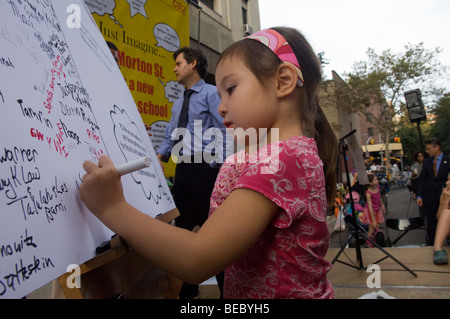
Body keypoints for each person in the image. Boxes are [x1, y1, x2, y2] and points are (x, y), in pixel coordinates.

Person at [79, 27, 338, 299]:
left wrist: (112, 208)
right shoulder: (283, 156)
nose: (221, 107)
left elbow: (197, 259)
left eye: (231, 89)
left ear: (283, 81)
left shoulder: (279, 161)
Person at [156, 47, 230, 298]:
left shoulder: (211, 93)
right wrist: (161, 153)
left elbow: (224, 129)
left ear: (193, 64)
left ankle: (227, 291)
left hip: (206, 169)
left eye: (178, 63)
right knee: (183, 229)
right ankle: (188, 293)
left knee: (213, 231)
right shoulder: (178, 102)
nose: (175, 68)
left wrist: (217, 164)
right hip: (183, 169)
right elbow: (170, 134)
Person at [416, 138, 450, 246]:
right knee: (431, 223)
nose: (427, 151)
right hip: (429, 197)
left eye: (429, 149)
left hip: (444, 195)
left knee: (445, 220)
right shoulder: (427, 162)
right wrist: (419, 195)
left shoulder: (448, 160)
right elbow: (422, 179)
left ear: (437, 147)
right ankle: (432, 245)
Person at [361, 173, 386, 247]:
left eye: (377, 179)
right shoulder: (368, 193)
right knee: (372, 228)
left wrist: (382, 205)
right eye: (375, 179)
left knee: (377, 227)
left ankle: (376, 241)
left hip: (377, 210)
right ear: (370, 183)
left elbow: (379, 197)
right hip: (370, 211)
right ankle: (368, 242)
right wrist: (373, 220)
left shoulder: (377, 187)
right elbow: (370, 207)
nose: (377, 180)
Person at [433, 172, 450, 264]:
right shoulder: (445, 194)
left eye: (449, 180)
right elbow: (440, 219)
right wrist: (446, 200)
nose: (447, 183)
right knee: (447, 213)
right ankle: (437, 249)